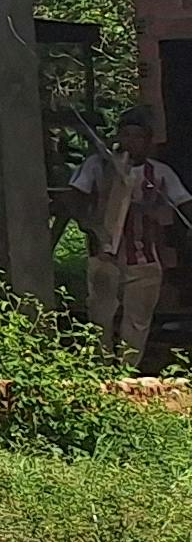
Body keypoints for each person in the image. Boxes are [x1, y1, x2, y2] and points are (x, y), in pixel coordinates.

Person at [77, 116, 191, 368]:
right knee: (100, 317)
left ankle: (126, 373)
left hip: (145, 260)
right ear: (118, 137)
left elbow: (185, 205)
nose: (131, 141)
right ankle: (100, 371)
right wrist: (89, 222)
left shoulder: (160, 174)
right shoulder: (97, 166)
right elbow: (75, 197)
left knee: (137, 322)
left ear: (148, 142)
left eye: (137, 136)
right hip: (104, 257)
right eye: (126, 134)